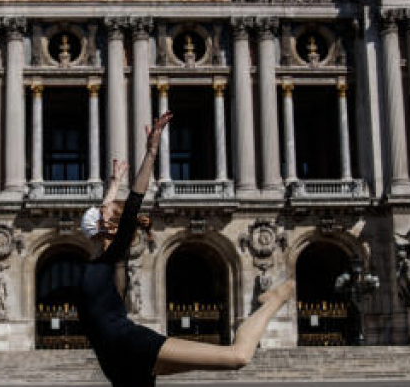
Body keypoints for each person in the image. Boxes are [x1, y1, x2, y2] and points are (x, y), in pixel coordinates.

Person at [78, 111, 295, 387]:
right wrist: (116, 184)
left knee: (238, 356)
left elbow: (131, 201)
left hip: (128, 345)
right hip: (116, 354)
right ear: (104, 227)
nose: (109, 205)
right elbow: (118, 209)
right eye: (106, 209)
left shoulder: (107, 259)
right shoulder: (100, 259)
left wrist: (149, 154)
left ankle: (273, 300)